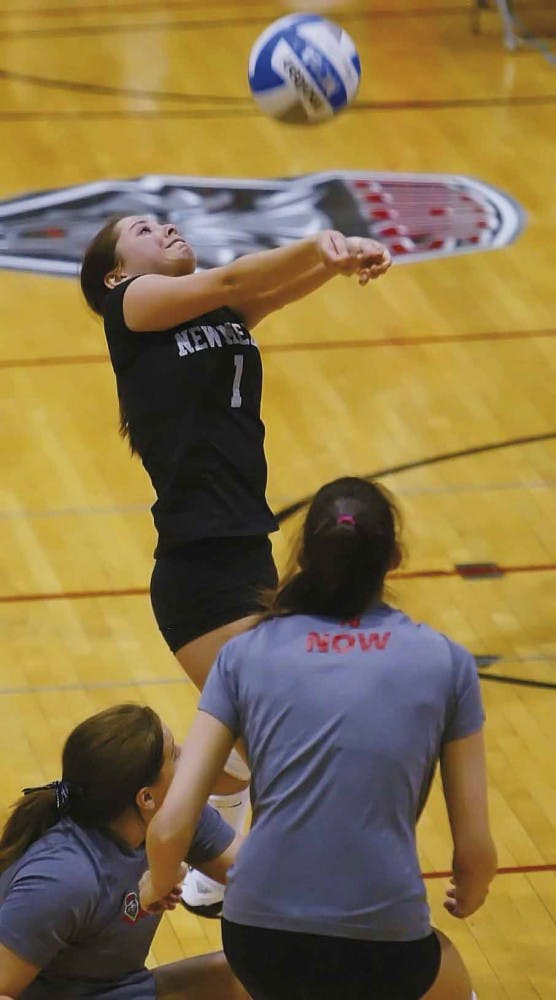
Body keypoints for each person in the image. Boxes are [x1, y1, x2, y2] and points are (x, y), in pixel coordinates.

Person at [80, 216, 392, 913]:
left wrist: (335, 262)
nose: (164, 227)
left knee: (274, 733)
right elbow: (234, 276)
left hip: (247, 548)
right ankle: (185, 843)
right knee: (290, 730)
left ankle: (173, 803)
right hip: (198, 569)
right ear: (115, 273)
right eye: (141, 228)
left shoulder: (213, 315)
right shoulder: (130, 310)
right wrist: (317, 243)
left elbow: (266, 293)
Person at [141, 476, 498, 999]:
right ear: (394, 558)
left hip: (258, 941)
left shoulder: (245, 654)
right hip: (384, 947)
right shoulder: (445, 662)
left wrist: (159, 881)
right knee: (449, 978)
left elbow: (171, 826)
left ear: (303, 556)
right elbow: (474, 851)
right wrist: (471, 889)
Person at [0, 703, 247, 999]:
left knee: (272, 972)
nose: (187, 757)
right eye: (175, 755)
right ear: (146, 797)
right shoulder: (63, 880)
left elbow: (264, 877)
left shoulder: (174, 821)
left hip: (125, 988)